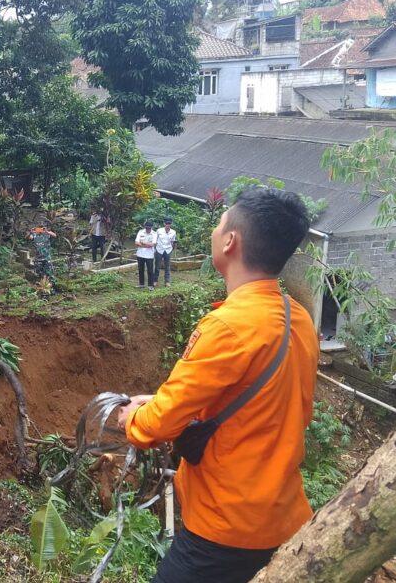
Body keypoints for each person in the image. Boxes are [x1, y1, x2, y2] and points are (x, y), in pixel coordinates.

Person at [117, 188, 318, 583]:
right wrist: (158, 399)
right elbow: (271, 407)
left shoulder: (227, 326)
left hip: (225, 530)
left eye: (219, 223)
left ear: (230, 241)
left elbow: (155, 426)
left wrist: (132, 419)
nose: (214, 230)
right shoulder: (298, 318)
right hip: (285, 519)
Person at [154, 217, 177, 286]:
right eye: (167, 223)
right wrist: (155, 248)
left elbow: (173, 241)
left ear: (171, 224)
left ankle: (167, 281)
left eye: (169, 223)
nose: (168, 225)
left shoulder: (173, 232)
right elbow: (155, 240)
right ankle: (155, 280)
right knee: (157, 266)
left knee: (167, 266)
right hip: (159, 250)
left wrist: (173, 249)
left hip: (168, 250)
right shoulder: (159, 231)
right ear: (164, 224)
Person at [135, 220, 157, 290]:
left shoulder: (154, 234)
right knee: (140, 270)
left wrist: (143, 243)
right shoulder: (140, 232)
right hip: (140, 254)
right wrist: (147, 245)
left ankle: (150, 285)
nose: (148, 229)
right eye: (147, 228)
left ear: (151, 227)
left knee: (150, 270)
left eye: (149, 228)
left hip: (149, 255)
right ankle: (141, 284)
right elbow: (136, 242)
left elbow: (153, 244)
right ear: (145, 227)